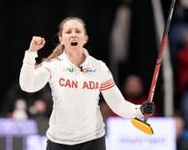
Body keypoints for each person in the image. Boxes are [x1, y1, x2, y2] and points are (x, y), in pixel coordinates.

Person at [19, 17, 155, 150]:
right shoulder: (53, 66)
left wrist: (139, 110)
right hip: (59, 141)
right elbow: (28, 85)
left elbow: (118, 104)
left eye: (78, 31)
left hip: (92, 141)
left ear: (85, 38)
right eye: (68, 32)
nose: (73, 35)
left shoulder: (99, 67)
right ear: (61, 39)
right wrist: (31, 53)